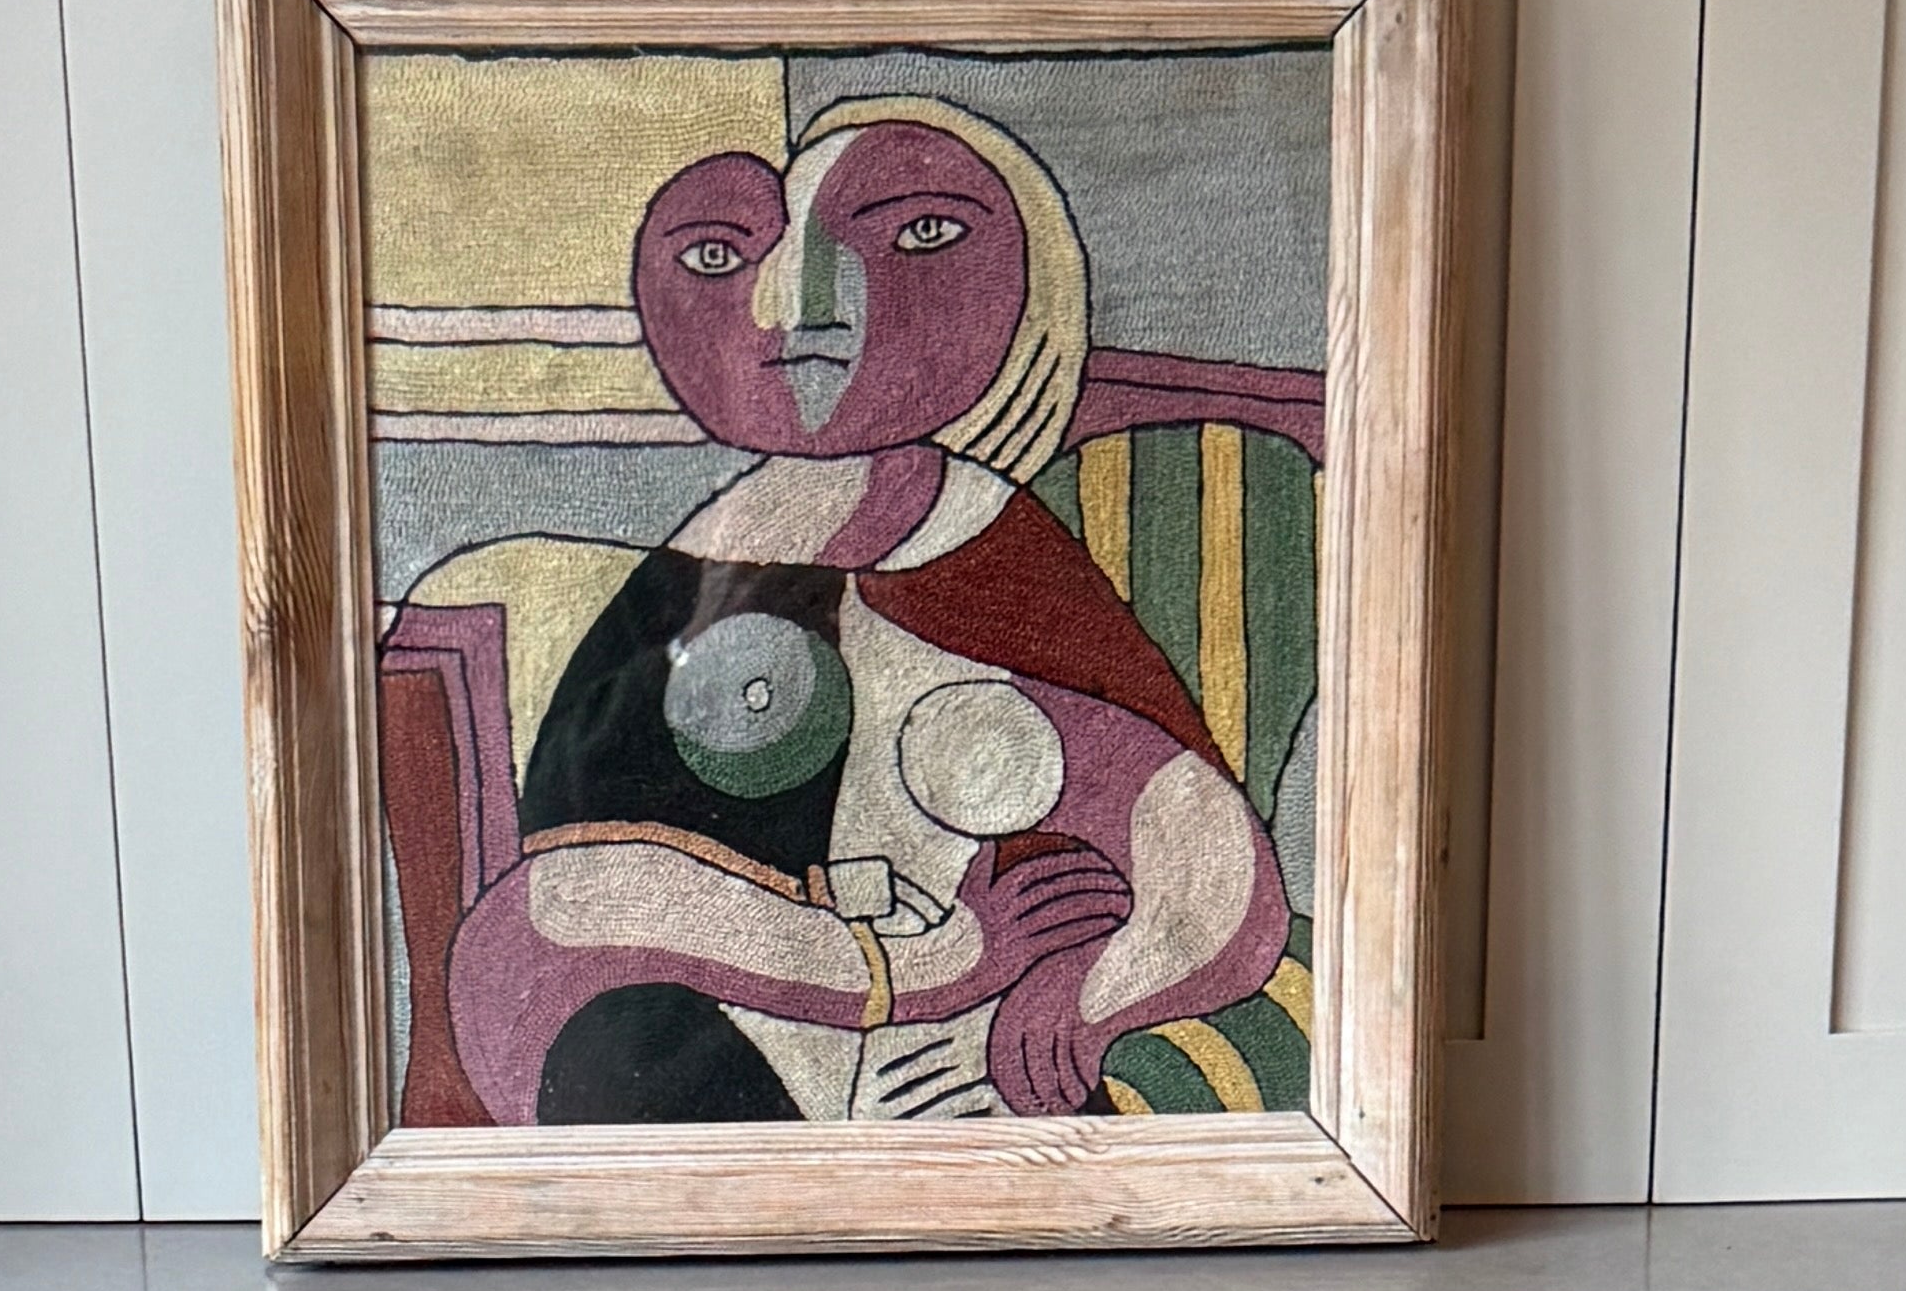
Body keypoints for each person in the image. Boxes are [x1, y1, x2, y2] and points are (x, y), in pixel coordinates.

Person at [435, 96, 1294, 1125]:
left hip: (962, 1082)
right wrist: (922, 965)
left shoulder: (987, 554)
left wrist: (1087, 997)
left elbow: (1208, 864)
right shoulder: (708, 565)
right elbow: (559, 909)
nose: (804, 308)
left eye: (920, 234)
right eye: (719, 255)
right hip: (725, 1058)